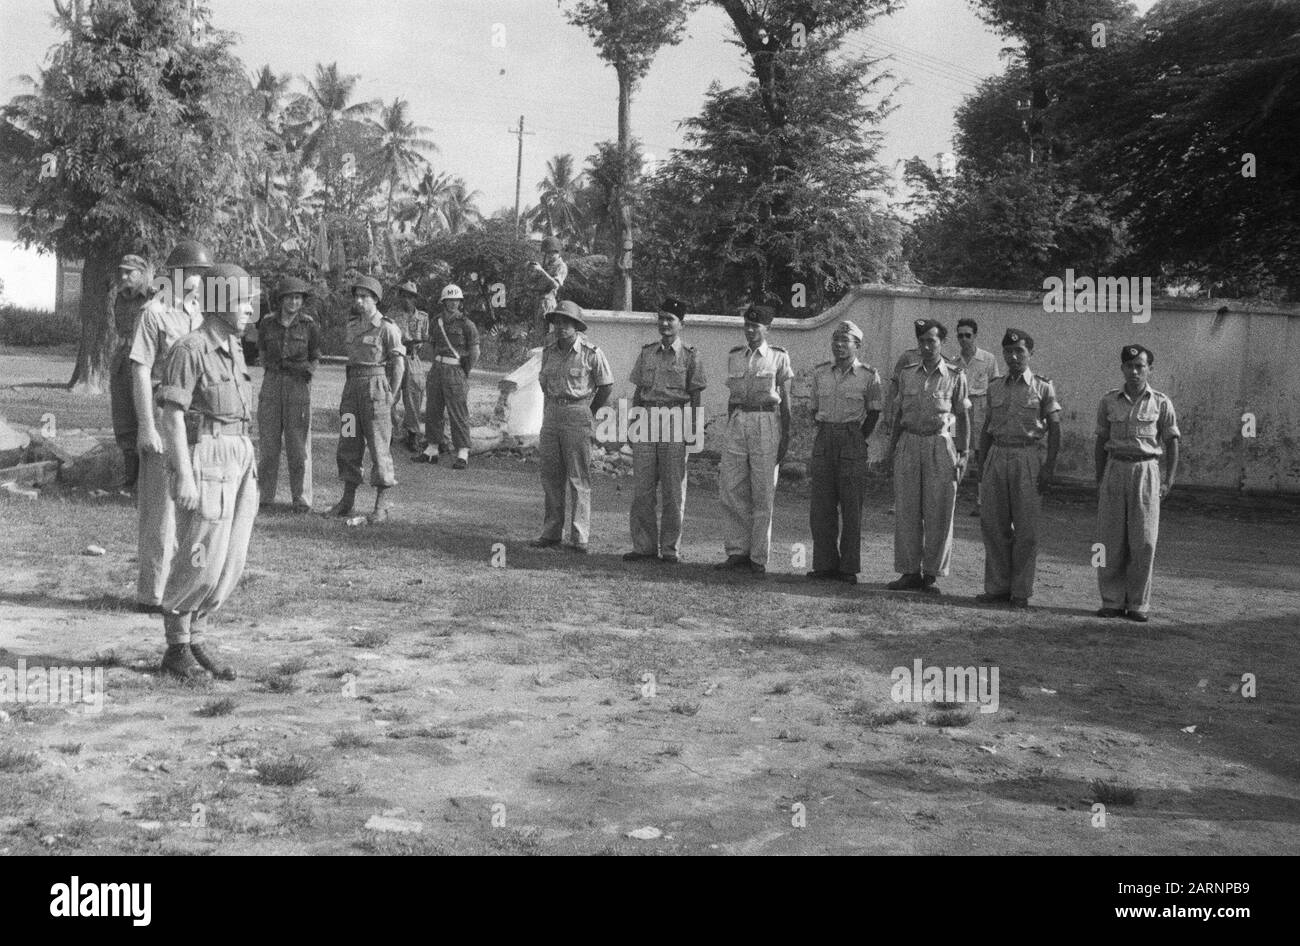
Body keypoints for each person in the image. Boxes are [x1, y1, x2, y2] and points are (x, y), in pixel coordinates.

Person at [155, 263, 259, 681]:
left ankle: (195, 636)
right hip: (208, 455)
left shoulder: (234, 346)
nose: (250, 309)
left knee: (230, 558)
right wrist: (183, 474)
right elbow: (172, 416)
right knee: (202, 552)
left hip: (239, 453)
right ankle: (176, 645)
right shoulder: (190, 348)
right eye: (242, 301)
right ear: (219, 304)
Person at [129, 238, 209, 613]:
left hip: (197, 420)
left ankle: (185, 587)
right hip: (164, 416)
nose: (195, 279)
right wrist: (146, 425)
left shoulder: (203, 315)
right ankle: (152, 593)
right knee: (160, 509)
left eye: (200, 273)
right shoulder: (154, 312)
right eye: (189, 272)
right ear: (173, 274)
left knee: (193, 507)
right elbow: (141, 370)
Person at [1094, 344, 1180, 622]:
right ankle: (1112, 601)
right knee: (1111, 539)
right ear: (1122, 368)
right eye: (1129, 366)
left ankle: (1138, 604)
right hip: (1116, 468)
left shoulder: (1161, 402)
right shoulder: (1109, 401)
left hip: (1146, 472)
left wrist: (1169, 479)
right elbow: (1099, 441)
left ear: (1149, 369)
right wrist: (1100, 478)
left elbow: (1171, 441)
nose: (1134, 371)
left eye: (1140, 366)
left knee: (1143, 541)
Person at [975, 329, 1060, 609]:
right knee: (994, 524)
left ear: (1030, 353)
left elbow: (1056, 427)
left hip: (1027, 456)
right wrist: (982, 464)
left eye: (1019, 352)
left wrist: (1048, 467)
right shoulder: (995, 386)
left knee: (1026, 528)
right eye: (1008, 352)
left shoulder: (1043, 387)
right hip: (998, 455)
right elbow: (987, 428)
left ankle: (1020, 591)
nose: (1013, 357)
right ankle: (997, 587)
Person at [886, 318, 970, 593]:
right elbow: (899, 415)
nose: (925, 346)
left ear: (942, 342)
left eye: (931, 341)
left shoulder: (956, 375)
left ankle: (931, 574)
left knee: (938, 512)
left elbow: (964, 417)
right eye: (922, 341)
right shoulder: (907, 373)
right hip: (909, 444)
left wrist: (964, 453)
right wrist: (892, 450)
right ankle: (909, 572)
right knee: (907, 511)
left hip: (939, 445)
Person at [623, 297, 707, 565]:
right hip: (647, 418)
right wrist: (633, 423)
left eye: (670, 319)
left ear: (682, 323)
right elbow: (638, 392)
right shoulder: (647, 352)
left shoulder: (691, 355)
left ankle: (670, 549)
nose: (664, 323)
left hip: (675, 420)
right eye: (661, 318)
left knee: (673, 490)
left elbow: (695, 395)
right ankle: (644, 547)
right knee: (643, 489)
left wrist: (693, 429)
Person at [715, 304, 793, 577]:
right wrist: (729, 425)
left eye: (755, 326)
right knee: (732, 486)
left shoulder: (778, 357)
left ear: (767, 328)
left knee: (762, 490)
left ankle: (758, 556)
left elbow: (786, 400)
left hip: (766, 421)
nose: (750, 330)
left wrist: (785, 437)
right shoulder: (735, 356)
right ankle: (737, 551)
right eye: (747, 325)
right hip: (739, 420)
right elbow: (731, 396)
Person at [530, 300, 612, 553]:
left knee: (578, 477)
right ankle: (552, 531)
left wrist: (589, 411)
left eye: (567, 322)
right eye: (557, 322)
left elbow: (606, 385)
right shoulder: (549, 351)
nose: (561, 327)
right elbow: (544, 382)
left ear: (577, 326)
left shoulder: (591, 352)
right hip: (553, 411)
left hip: (578, 411)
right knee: (551, 476)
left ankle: (580, 536)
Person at [807, 320, 882, 583]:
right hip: (825, 436)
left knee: (851, 507)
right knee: (822, 506)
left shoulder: (869, 376)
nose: (838, 345)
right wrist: (826, 432)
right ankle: (824, 564)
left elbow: (874, 412)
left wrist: (858, 437)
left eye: (845, 341)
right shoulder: (820, 374)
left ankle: (848, 567)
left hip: (852, 438)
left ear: (857, 345)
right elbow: (813, 410)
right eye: (835, 340)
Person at [329, 275, 404, 523]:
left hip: (376, 389)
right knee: (348, 441)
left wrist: (390, 397)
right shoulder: (351, 326)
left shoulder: (387, 328)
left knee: (378, 445)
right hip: (352, 390)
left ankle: (381, 505)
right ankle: (347, 500)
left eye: (365, 297)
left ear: (375, 299)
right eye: (357, 296)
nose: (359, 301)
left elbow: (398, 364)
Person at [257, 276, 319, 512]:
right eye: (289, 297)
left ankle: (301, 499)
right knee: (269, 443)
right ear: (280, 299)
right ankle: (264, 496)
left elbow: (315, 355)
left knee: (298, 444)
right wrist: (273, 372)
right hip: (272, 382)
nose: (293, 302)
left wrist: (306, 374)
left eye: (298, 297)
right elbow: (262, 352)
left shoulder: (309, 324)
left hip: (297, 384)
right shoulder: (267, 323)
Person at [108, 254, 157, 494]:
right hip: (122, 358)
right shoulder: (120, 297)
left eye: (130, 273)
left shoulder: (154, 297)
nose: (124, 277)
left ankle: (146, 481)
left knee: (144, 417)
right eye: (122, 272)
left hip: (145, 360)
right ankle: (129, 480)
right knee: (124, 419)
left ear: (143, 273)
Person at [417, 284, 479, 469]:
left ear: (460, 302)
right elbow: (432, 346)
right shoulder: (436, 322)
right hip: (437, 368)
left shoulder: (467, 324)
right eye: (449, 300)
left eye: (456, 300)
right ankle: (432, 448)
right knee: (433, 409)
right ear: (443, 302)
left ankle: (462, 452)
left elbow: (475, 352)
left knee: (458, 411)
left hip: (455, 369)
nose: (452, 303)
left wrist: (464, 371)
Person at [956, 318, 1002, 517]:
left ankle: (982, 502)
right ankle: (951, 498)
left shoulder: (988, 359)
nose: (964, 339)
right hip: (959, 411)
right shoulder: (953, 362)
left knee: (983, 456)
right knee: (956, 453)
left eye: (968, 335)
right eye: (960, 335)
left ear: (975, 336)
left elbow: (996, 389)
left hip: (982, 408)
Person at [388, 281, 429, 452]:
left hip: (413, 359)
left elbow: (426, 339)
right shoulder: (391, 316)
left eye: (410, 297)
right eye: (403, 296)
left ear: (415, 299)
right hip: (394, 359)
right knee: (390, 396)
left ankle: (412, 435)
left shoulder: (423, 317)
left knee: (414, 397)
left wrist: (416, 345)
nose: (406, 300)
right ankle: (389, 431)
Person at [529, 235, 568, 338]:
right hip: (539, 300)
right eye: (547, 253)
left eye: (551, 253)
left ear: (557, 252)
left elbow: (556, 285)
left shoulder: (561, 266)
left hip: (548, 301)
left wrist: (541, 271)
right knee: (538, 335)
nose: (549, 255)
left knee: (549, 335)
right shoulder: (548, 265)